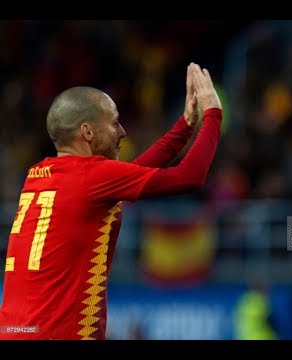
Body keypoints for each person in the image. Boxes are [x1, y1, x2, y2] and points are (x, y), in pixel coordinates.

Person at [0, 62, 223, 340]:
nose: (122, 132)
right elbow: (189, 177)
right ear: (88, 132)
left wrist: (187, 124)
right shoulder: (91, 176)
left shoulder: (39, 175)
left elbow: (134, 173)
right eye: (114, 122)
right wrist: (213, 113)